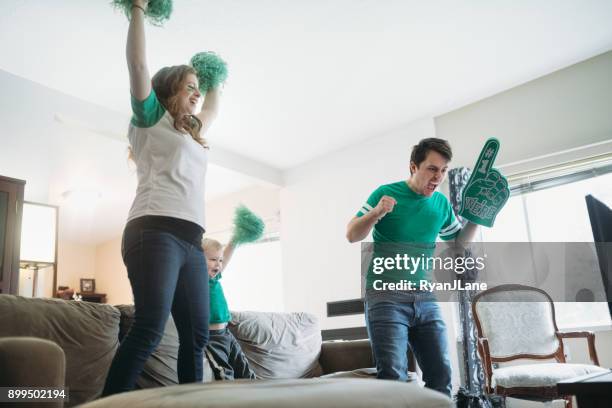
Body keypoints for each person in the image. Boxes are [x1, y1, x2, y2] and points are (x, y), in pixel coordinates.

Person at [103, 0, 220, 395]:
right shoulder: (151, 117)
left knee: (197, 335)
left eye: (199, 91)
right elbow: (137, 66)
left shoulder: (189, 131)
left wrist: (213, 78)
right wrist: (138, 7)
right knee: (151, 327)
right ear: (170, 87)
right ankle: (109, 404)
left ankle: (191, 404)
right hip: (153, 231)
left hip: (191, 242)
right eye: (191, 87)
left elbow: (213, 108)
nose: (198, 95)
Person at [346, 138, 478, 397]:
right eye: (432, 169)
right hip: (386, 297)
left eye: (443, 170)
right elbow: (351, 234)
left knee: (441, 376)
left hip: (425, 298)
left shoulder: (440, 204)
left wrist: (477, 218)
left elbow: (458, 244)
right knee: (393, 378)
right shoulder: (385, 193)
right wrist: (376, 213)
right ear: (413, 167)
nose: (438, 177)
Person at [202, 238, 257, 380]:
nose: (218, 264)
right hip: (211, 338)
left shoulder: (214, 278)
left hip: (226, 334)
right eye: (213, 259)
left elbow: (226, 257)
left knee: (244, 370)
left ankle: (257, 397)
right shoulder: (198, 280)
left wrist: (234, 241)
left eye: (220, 260)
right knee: (223, 374)